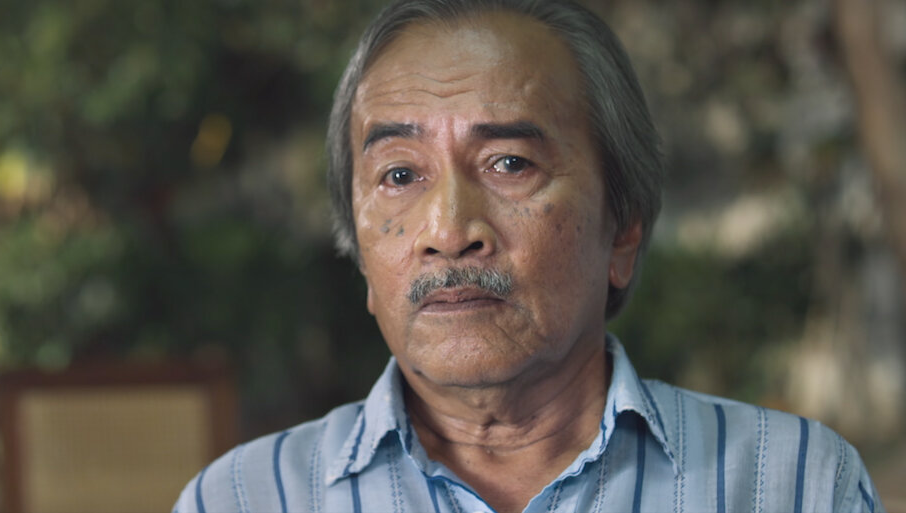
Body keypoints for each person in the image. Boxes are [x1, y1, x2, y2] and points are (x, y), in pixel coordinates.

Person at [174, 1, 884, 512]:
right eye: (400, 174)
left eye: (510, 163)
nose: (448, 230)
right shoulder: (243, 498)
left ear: (623, 229)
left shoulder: (793, 485)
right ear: (359, 251)